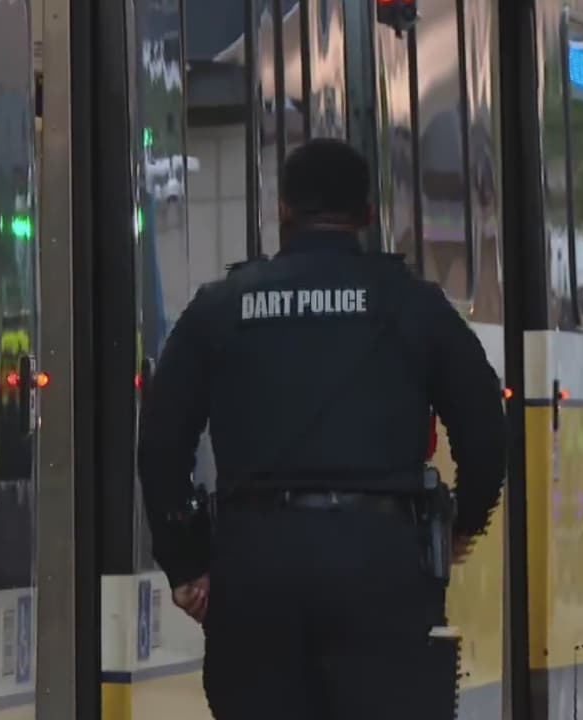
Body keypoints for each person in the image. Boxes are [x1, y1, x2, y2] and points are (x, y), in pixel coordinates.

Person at [136, 138, 506, 719]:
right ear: (367, 215)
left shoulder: (220, 306)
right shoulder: (412, 304)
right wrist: (461, 525)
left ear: (283, 209)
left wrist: (187, 563)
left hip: (255, 571)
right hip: (381, 568)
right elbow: (486, 429)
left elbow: (160, 444)